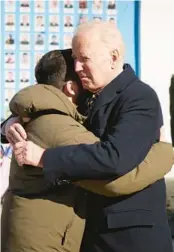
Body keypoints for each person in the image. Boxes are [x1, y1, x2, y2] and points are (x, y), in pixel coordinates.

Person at [13, 21, 173, 252]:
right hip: (93, 232)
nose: (76, 67)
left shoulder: (138, 97)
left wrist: (45, 158)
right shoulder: (87, 94)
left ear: (113, 56)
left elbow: (114, 158)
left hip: (129, 238)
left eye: (84, 58)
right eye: (75, 58)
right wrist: (11, 123)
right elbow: (46, 104)